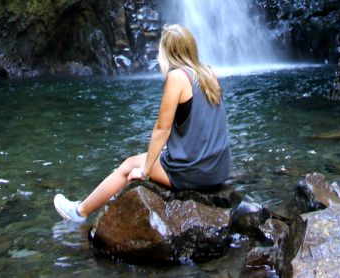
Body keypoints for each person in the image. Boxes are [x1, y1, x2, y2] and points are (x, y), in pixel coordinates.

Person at [54, 23, 231, 223]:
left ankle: (79, 212)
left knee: (129, 165)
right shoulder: (209, 73)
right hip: (218, 170)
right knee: (156, 157)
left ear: (166, 51)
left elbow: (162, 130)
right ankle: (81, 210)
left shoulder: (178, 77)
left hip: (193, 173)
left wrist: (145, 171)